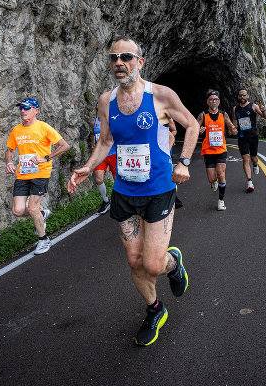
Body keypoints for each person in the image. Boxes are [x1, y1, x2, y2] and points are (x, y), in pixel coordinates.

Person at [67, 37, 198, 346]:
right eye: (114, 58)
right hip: (124, 191)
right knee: (134, 261)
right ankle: (155, 309)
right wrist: (88, 166)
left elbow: (192, 125)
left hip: (158, 189)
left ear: (140, 62)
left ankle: (173, 264)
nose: (119, 62)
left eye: (126, 57)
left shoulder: (161, 95)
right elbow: (106, 141)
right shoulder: (106, 101)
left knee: (153, 264)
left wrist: (184, 163)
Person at [5, 97, 70, 255]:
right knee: (17, 211)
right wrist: (9, 162)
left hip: (40, 172)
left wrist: (47, 158)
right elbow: (9, 150)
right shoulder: (16, 130)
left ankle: (43, 239)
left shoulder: (44, 127)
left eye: (26, 108)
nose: (22, 111)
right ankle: (41, 215)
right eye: (21, 108)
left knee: (32, 207)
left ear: (36, 110)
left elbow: (64, 145)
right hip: (22, 174)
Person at [196, 90, 238, 211]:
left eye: (215, 99)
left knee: (221, 174)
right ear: (207, 102)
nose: (213, 101)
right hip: (208, 151)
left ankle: (221, 201)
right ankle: (213, 182)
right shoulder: (203, 115)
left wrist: (233, 130)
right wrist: (199, 131)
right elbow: (194, 129)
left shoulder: (223, 115)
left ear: (219, 101)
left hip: (221, 150)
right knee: (212, 178)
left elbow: (231, 127)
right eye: (211, 99)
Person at [233, 88, 266, 193]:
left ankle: (255, 164)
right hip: (242, 137)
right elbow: (234, 120)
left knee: (254, 158)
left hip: (253, 136)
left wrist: (263, 110)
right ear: (238, 97)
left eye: (244, 95)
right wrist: (233, 128)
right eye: (240, 95)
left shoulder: (253, 106)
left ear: (247, 96)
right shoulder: (235, 108)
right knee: (245, 158)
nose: (242, 97)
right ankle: (250, 182)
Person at [91, 110, 117, 215]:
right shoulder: (94, 122)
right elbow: (93, 134)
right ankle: (106, 201)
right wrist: (93, 145)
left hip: (113, 153)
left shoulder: (112, 120)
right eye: (97, 107)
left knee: (117, 181)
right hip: (100, 155)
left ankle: (121, 200)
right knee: (98, 179)